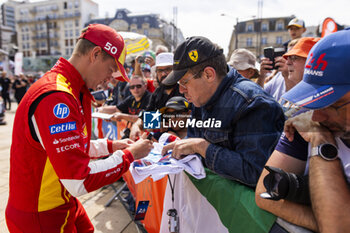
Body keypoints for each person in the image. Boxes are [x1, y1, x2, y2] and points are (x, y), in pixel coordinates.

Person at [5, 24, 153, 233]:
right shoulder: (58, 96)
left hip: (60, 201)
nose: (110, 80)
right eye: (111, 69)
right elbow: (78, 178)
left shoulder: (70, 88)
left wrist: (112, 146)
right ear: (95, 54)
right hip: (43, 213)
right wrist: (128, 154)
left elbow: (71, 147)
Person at [255, 29, 350, 232]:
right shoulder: (308, 125)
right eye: (314, 104)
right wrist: (323, 221)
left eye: (331, 104)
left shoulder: (316, 130)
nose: (315, 117)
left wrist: (322, 144)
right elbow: (264, 192)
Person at [161, 36, 285, 186]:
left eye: (184, 82)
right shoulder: (201, 95)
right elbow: (194, 144)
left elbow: (256, 172)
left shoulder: (252, 102)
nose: (181, 90)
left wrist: (202, 147)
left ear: (208, 75)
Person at [130, 52, 183, 140]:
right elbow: (146, 115)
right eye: (160, 70)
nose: (163, 74)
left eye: (168, 69)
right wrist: (136, 125)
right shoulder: (158, 92)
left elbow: (185, 122)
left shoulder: (184, 91)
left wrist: (160, 123)